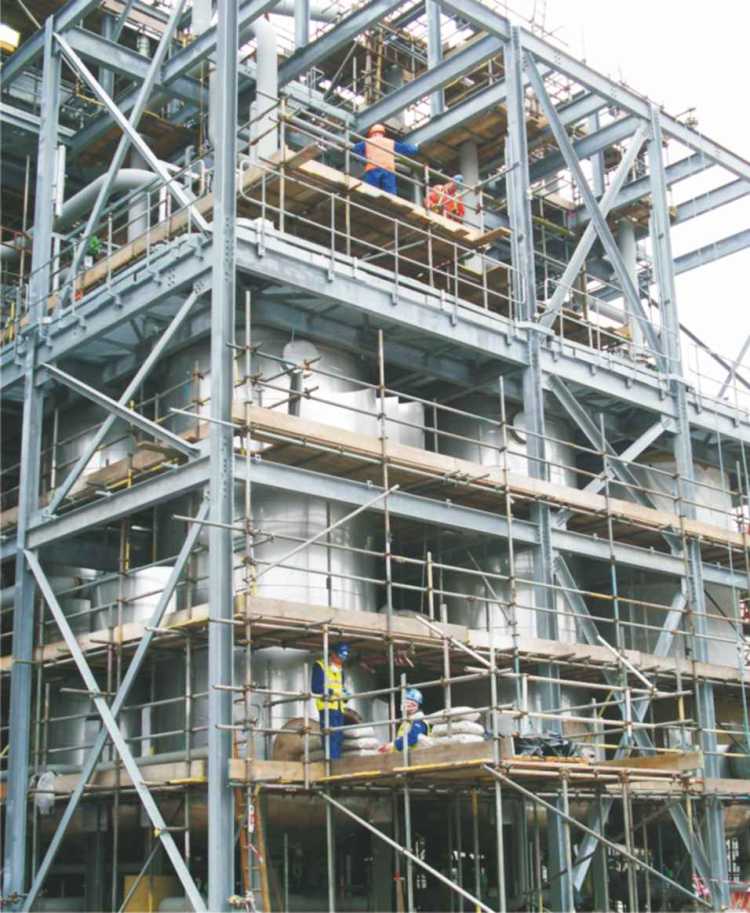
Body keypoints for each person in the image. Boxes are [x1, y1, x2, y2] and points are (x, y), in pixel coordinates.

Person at [352, 123, 419, 196]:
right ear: (382, 133)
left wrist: (363, 160)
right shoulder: (390, 142)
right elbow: (407, 149)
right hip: (388, 169)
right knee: (390, 194)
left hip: (373, 168)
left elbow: (356, 148)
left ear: (371, 133)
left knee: (371, 192)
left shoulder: (367, 141)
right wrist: (415, 148)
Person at [311, 643, 351, 760]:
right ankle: (332, 761)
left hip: (339, 707)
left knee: (338, 736)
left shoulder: (340, 670)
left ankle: (336, 759)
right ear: (332, 654)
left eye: (343, 658)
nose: (341, 661)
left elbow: (341, 687)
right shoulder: (320, 666)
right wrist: (332, 692)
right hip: (327, 707)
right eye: (340, 657)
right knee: (330, 735)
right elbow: (316, 687)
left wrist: (345, 695)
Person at [379, 687, 431, 753]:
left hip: (417, 758)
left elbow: (412, 737)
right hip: (406, 758)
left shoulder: (419, 720)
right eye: (404, 702)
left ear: (414, 705)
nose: (404, 706)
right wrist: (389, 747)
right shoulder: (407, 722)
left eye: (407, 703)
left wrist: (392, 745)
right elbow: (402, 740)